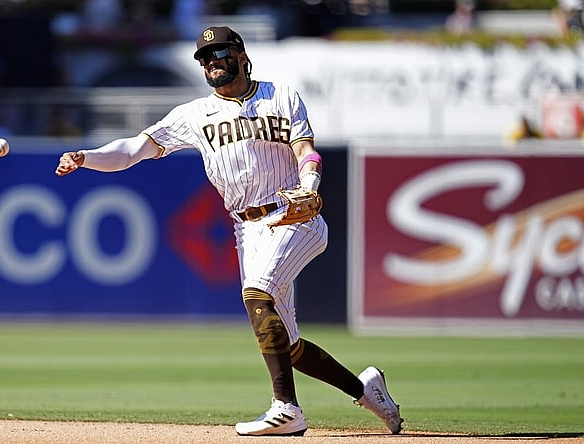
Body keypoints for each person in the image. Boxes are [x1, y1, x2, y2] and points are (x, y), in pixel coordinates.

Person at [55, 26, 403, 437]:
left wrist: (309, 188)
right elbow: (134, 150)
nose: (211, 62)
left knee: (257, 293)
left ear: (240, 54)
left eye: (218, 52)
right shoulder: (193, 115)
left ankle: (286, 408)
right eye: (204, 57)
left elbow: (306, 151)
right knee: (287, 346)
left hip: (294, 216)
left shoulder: (281, 96)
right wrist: (86, 157)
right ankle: (365, 389)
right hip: (247, 230)